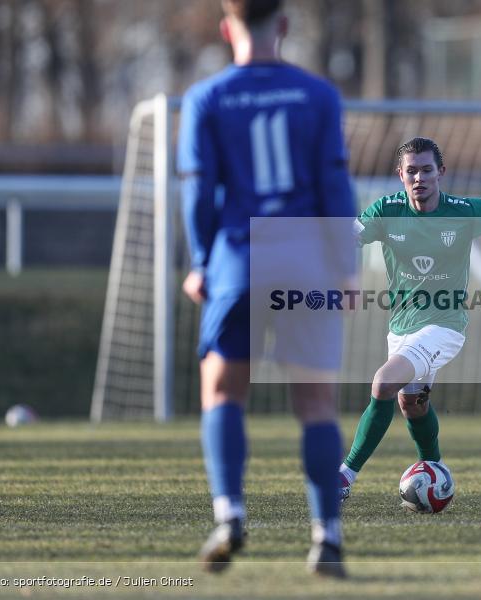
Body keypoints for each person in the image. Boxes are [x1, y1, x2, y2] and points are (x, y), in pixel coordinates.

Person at [177, 0, 355, 577]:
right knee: (316, 405)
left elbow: (199, 192)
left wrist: (202, 260)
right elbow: (333, 181)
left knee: (224, 393)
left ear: (227, 28)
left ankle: (229, 513)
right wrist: (346, 266)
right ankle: (326, 534)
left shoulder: (207, 98)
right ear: (283, 25)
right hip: (308, 261)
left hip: (241, 259)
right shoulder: (319, 95)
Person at [338, 137, 481, 501]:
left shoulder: (462, 211)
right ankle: (435, 472)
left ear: (441, 172)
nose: (419, 178)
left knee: (383, 383)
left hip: (444, 326)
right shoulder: (386, 211)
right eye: (412, 171)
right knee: (413, 404)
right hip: (401, 328)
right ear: (400, 175)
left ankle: (343, 477)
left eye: (426, 170)